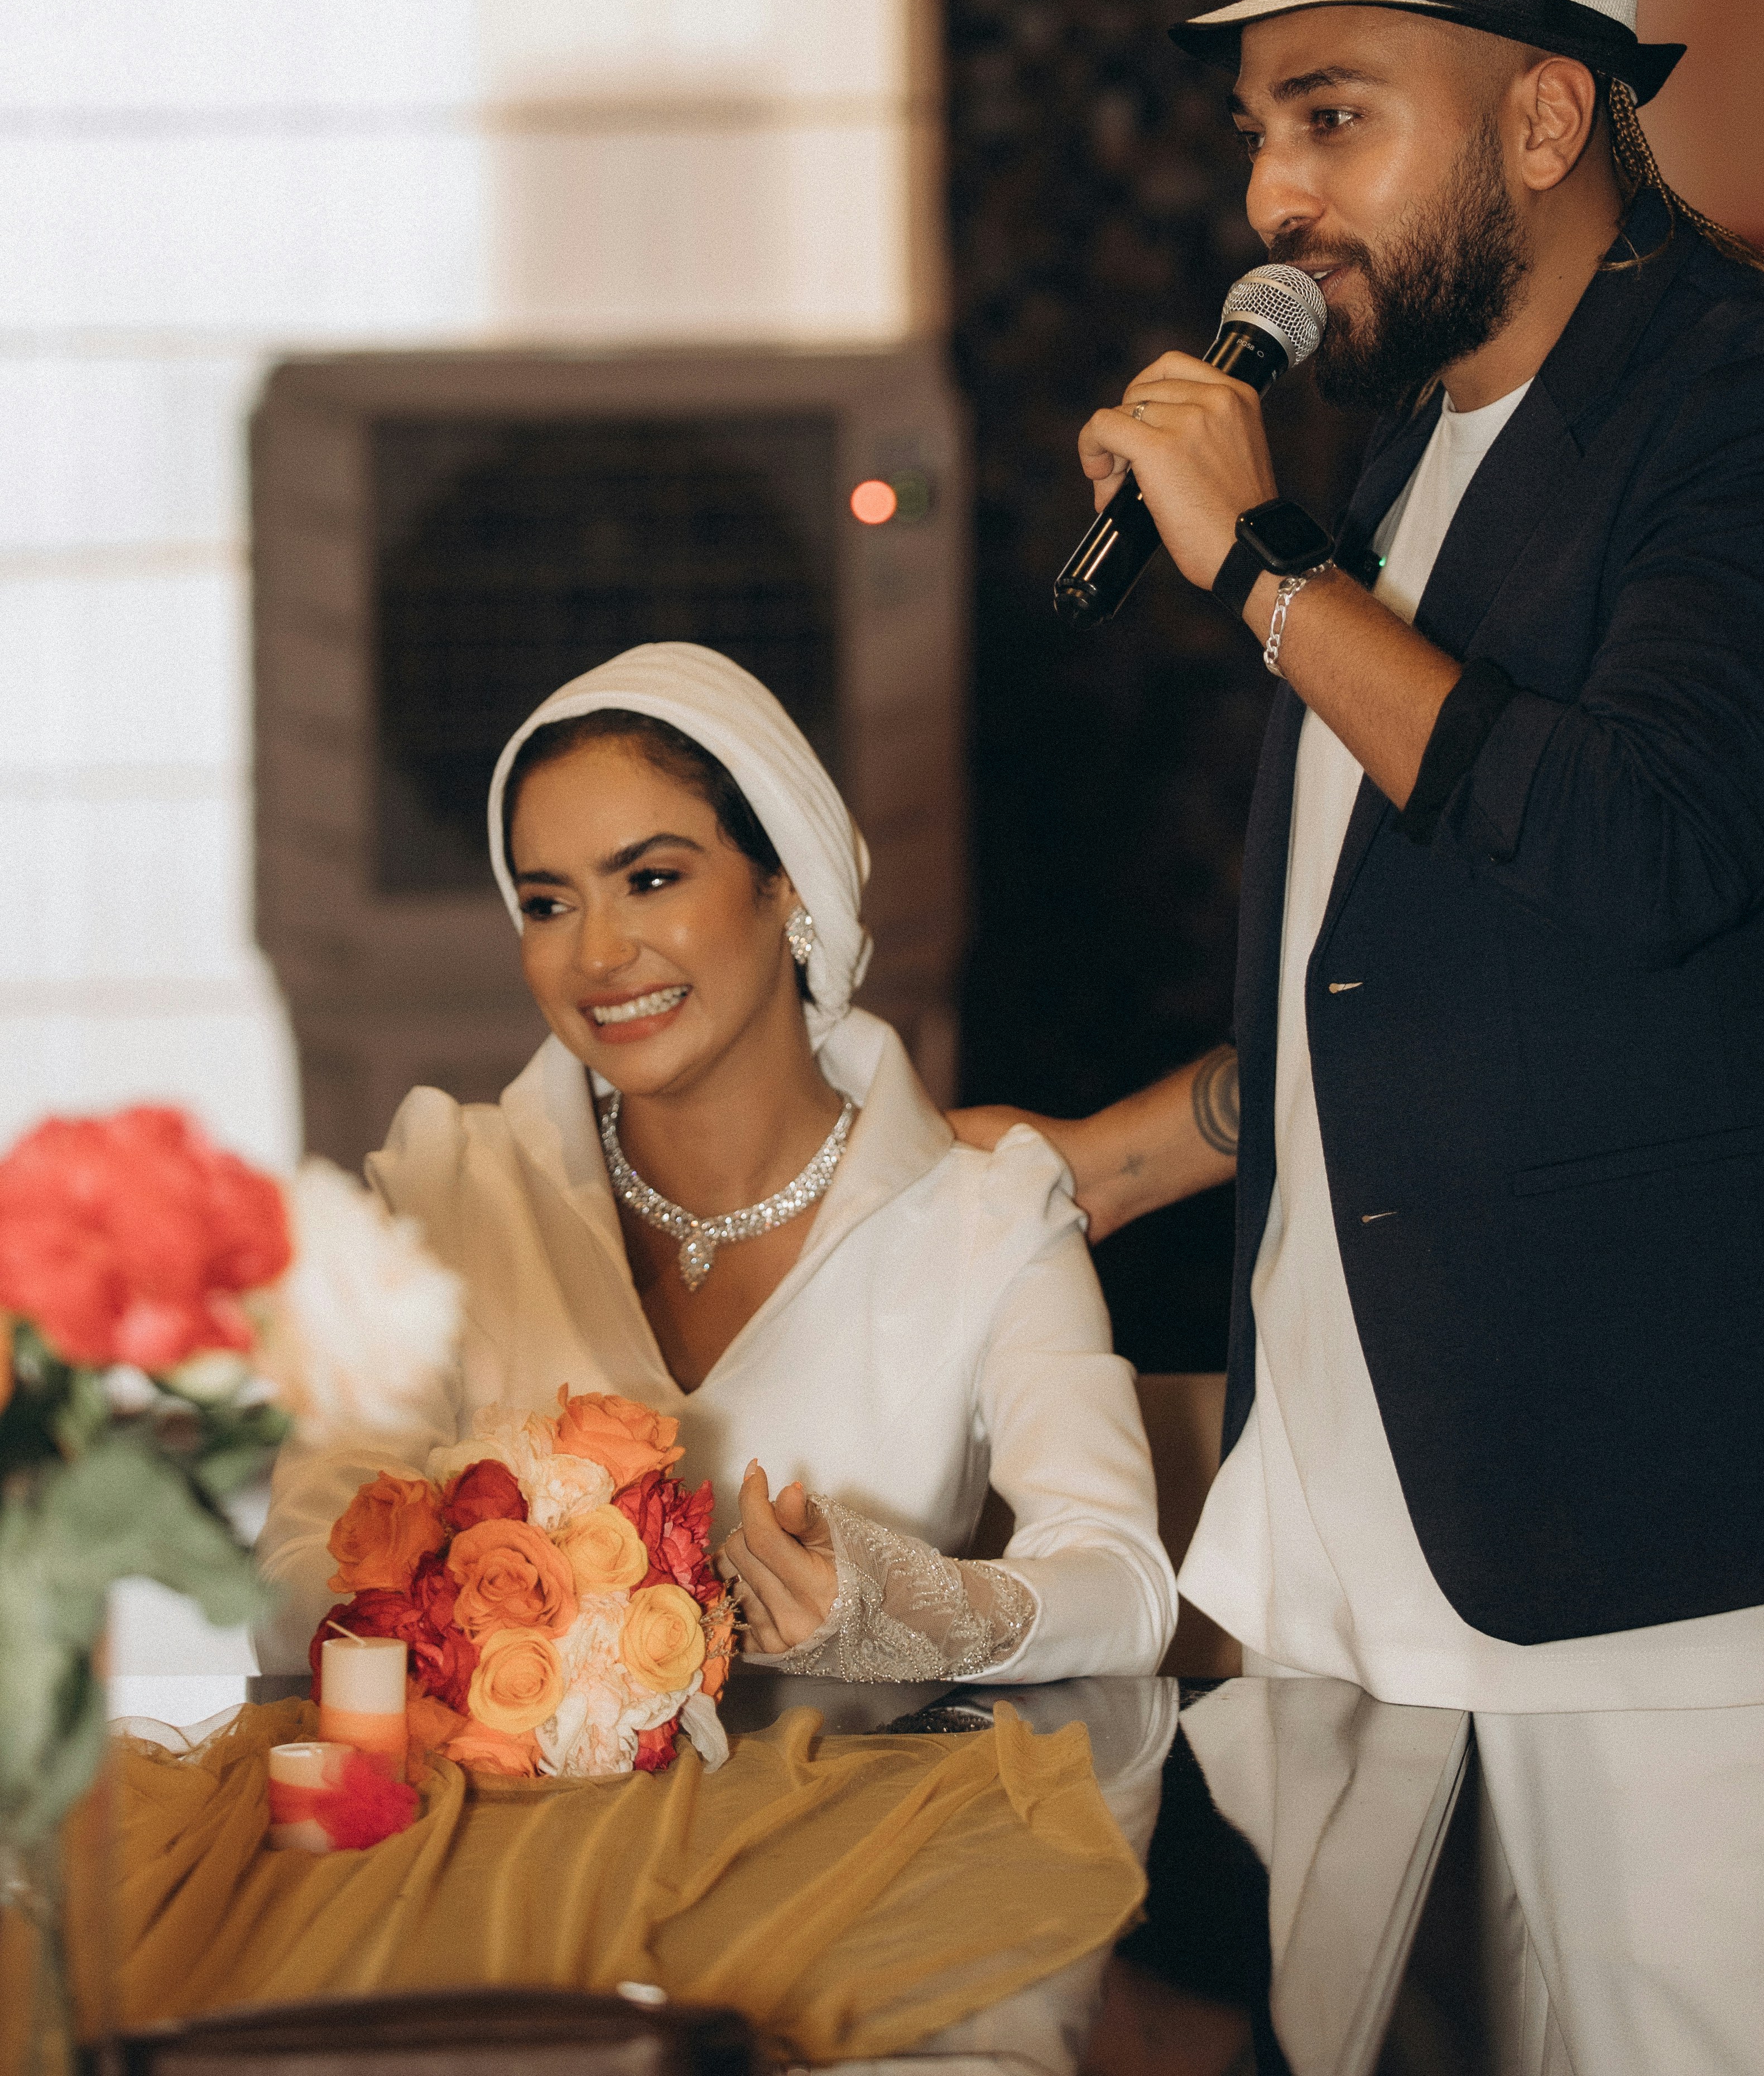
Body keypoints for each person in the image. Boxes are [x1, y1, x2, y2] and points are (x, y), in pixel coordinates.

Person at [954, 0, 1764, 2073]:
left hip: (1704, 1562)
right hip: (1381, 1567)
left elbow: (1647, 846)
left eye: (1335, 117)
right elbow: (1430, 980)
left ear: (1546, 118)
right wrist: (1104, 1162)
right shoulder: (1422, 470)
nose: (1272, 198)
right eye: (1260, 131)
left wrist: (1260, 572)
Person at [261, 642, 1175, 1684]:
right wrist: (499, 1615)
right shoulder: (442, 1198)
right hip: (520, 1841)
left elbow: (1125, 1591)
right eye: (548, 903)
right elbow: (298, 1568)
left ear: (787, 885)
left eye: (650, 880)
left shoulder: (989, 1219)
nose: (597, 955)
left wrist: (894, 1605)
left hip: (858, 1838)